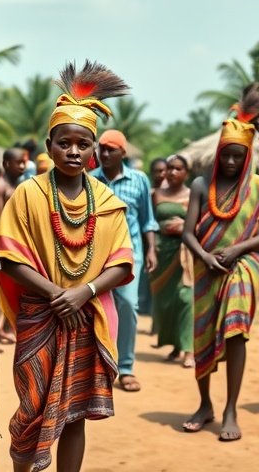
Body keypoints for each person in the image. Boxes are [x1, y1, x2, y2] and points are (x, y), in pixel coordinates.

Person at [0, 61, 134, 472]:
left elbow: (122, 262)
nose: (74, 151)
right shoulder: (29, 194)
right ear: (49, 144)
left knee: (75, 414)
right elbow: (7, 255)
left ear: (94, 151)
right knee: (32, 409)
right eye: (64, 142)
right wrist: (57, 294)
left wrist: (83, 292)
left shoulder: (106, 201)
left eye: (83, 144)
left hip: (86, 316)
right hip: (42, 315)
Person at [180, 85, 259, 442]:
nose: (232, 162)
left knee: (236, 331)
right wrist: (205, 255)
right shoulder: (200, 185)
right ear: (219, 152)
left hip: (243, 267)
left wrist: (238, 250)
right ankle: (205, 404)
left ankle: (231, 409)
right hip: (208, 268)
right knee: (203, 335)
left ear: (248, 154)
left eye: (239, 156)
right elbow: (189, 232)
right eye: (227, 155)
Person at [90, 129, 158, 393]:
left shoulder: (139, 180)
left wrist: (151, 250)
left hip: (130, 254)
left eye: (111, 149)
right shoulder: (90, 180)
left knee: (128, 304)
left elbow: (147, 220)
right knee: (98, 309)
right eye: (102, 149)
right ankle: (100, 366)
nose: (105, 154)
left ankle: (126, 367)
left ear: (123, 152)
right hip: (97, 256)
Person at [149, 154, 194, 369]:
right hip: (160, 253)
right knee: (166, 303)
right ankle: (176, 346)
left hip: (185, 253)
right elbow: (149, 222)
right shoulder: (156, 194)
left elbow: (201, 223)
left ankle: (189, 351)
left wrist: (183, 228)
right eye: (169, 168)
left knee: (185, 298)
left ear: (187, 172)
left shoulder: (193, 195)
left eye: (178, 168)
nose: (172, 172)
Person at [0, 147, 27, 346]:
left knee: (12, 288)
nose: (22, 166)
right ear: (6, 164)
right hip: (2, 244)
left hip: (16, 244)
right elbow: (0, 220)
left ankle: (3, 328)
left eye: (24, 162)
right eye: (18, 162)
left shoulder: (19, 186)